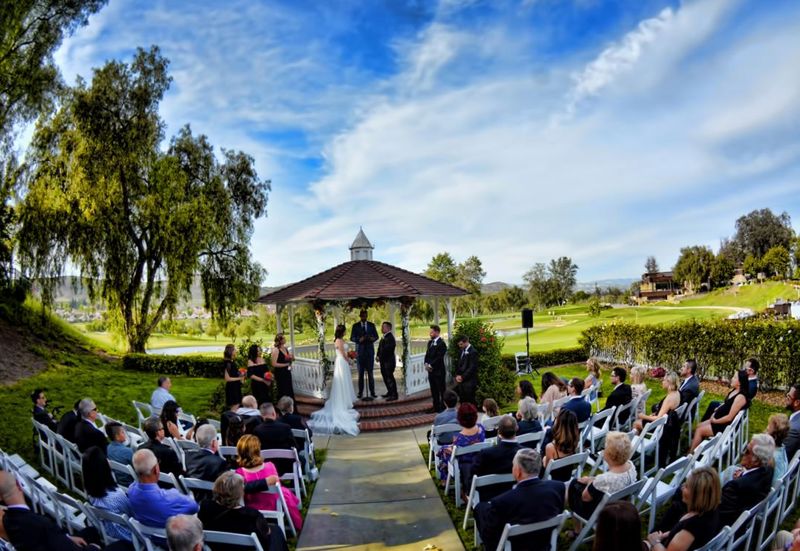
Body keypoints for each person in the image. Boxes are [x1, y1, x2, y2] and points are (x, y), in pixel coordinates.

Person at [660, 435, 774, 532]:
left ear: (756, 460)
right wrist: (743, 474)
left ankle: (662, 534)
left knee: (680, 495)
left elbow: (715, 510)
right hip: (736, 517)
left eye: (747, 451)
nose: (743, 452)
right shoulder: (767, 471)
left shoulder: (737, 486)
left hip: (717, 524)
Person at [475, 448, 566, 551]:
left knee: (480, 508)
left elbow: (491, 534)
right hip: (544, 542)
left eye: (513, 465)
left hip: (515, 546)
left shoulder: (502, 502)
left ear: (517, 471)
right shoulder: (558, 487)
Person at [0, 469, 113, 551]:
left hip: (51, 542)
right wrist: (93, 548)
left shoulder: (7, 520)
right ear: (19, 485)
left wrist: (67, 538)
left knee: (91, 532)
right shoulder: (40, 523)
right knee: (123, 545)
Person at [198, 471, 288, 551]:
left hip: (216, 547)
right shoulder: (252, 515)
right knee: (276, 530)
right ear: (240, 493)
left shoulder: (205, 506)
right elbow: (264, 540)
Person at [235, 435, 303, 530]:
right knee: (284, 492)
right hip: (274, 505)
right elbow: (277, 487)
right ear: (258, 450)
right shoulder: (270, 466)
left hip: (252, 508)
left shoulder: (239, 472)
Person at [646, 466, 720, 551]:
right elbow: (678, 530)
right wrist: (663, 536)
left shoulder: (693, 527)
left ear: (697, 495)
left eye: (687, 486)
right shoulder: (710, 510)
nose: (682, 487)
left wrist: (654, 542)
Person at [568, 431, 637, 520]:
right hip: (619, 505)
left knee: (575, 484)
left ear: (611, 455)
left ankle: (576, 530)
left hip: (601, 512)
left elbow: (585, 497)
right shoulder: (630, 466)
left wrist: (589, 481)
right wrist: (592, 479)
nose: (603, 450)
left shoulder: (604, 479)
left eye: (605, 448)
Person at [308, 324, 360, 435]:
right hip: (341, 362)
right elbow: (342, 353)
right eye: (345, 331)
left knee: (344, 381)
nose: (346, 332)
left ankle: (346, 398)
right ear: (342, 331)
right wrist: (350, 360)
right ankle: (342, 401)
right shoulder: (338, 341)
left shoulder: (340, 340)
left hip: (342, 362)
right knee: (341, 381)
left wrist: (350, 356)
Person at [128, 449, 198, 528]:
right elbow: (194, 507)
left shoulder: (131, 490)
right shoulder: (171, 496)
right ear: (156, 469)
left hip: (148, 537)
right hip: (172, 537)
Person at [82, 446, 135, 543]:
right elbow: (131, 514)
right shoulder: (116, 495)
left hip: (107, 532)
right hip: (127, 537)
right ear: (104, 466)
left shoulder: (91, 494)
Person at [689, 370, 750, 453]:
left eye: (734, 377)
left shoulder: (740, 397)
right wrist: (718, 409)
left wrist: (715, 421)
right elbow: (727, 404)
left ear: (739, 382)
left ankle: (690, 455)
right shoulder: (734, 391)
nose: (732, 379)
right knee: (699, 426)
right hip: (719, 420)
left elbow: (729, 418)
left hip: (723, 426)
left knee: (699, 431)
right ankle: (697, 449)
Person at [473, 416, 521, 500]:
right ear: (517, 429)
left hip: (490, 496)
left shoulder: (486, 453)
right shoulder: (525, 452)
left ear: (499, 432)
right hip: (516, 493)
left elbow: (474, 473)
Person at [436, 403, 485, 484]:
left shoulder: (459, 438)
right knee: (445, 449)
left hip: (462, 464)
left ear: (460, 419)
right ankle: (444, 474)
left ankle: (444, 477)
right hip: (478, 458)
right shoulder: (481, 428)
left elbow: (455, 453)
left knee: (443, 450)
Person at [544, 409, 580, 481]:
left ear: (558, 424)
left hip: (553, 482)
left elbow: (547, 469)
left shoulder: (551, 447)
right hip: (567, 477)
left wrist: (544, 459)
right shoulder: (575, 443)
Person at [350, 310, 379, 400]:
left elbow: (376, 336)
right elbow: (352, 337)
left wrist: (371, 338)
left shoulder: (371, 325)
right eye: (362, 316)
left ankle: (372, 392)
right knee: (360, 374)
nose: (364, 317)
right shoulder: (355, 326)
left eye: (365, 316)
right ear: (360, 316)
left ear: (367, 316)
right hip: (360, 354)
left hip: (369, 353)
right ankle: (360, 393)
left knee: (370, 374)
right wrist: (359, 339)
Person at [425, 324, 448, 412]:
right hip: (431, 372)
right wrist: (426, 363)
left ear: (437, 332)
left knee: (441, 390)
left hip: (439, 371)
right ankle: (436, 406)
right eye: (430, 332)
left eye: (432, 332)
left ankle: (443, 406)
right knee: (433, 390)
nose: (430, 333)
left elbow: (439, 357)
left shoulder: (442, 344)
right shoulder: (430, 343)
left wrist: (431, 365)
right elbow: (427, 355)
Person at [376, 321, 398, 401]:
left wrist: (380, 357)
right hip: (383, 362)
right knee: (385, 377)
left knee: (389, 378)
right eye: (382, 327)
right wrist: (377, 355)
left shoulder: (390, 338)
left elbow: (387, 350)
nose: (382, 328)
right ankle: (389, 391)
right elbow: (380, 348)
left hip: (388, 362)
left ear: (388, 328)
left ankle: (394, 395)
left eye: (383, 327)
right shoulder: (384, 337)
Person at [270, 333, 294, 401]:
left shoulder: (285, 348)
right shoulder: (276, 350)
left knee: (289, 389)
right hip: (280, 373)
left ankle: (291, 407)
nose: (285, 339)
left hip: (287, 372)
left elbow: (288, 359)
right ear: (280, 340)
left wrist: (291, 359)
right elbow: (274, 364)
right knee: (283, 390)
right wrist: (286, 365)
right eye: (283, 338)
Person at [455, 335, 478, 405]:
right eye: (459, 344)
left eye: (461, 344)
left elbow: (472, 367)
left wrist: (462, 377)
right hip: (461, 382)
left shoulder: (473, 352)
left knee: (470, 402)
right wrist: (457, 375)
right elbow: (458, 365)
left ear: (466, 342)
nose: (460, 346)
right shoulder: (461, 351)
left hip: (469, 382)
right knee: (462, 401)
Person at [223, 343, 244, 408]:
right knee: (235, 406)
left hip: (236, 386)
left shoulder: (232, 362)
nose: (236, 351)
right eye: (234, 349)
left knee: (237, 405)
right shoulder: (227, 363)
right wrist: (240, 378)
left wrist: (240, 373)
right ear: (231, 351)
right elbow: (227, 379)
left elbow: (233, 373)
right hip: (232, 388)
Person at [785, 383, 800, 462]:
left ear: (797, 402)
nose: (786, 397)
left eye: (789, 396)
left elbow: (782, 455)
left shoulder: (793, 429)